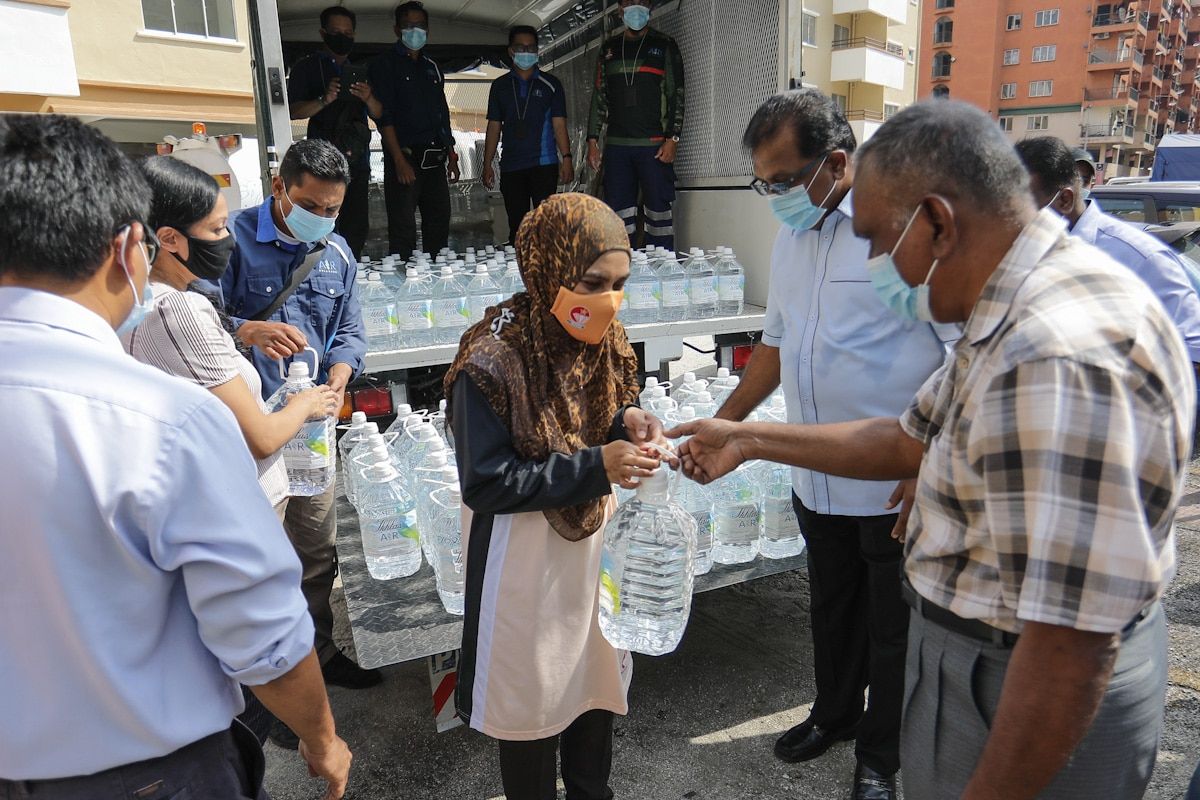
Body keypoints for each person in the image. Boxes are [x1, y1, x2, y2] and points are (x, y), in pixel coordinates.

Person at [671, 100, 1192, 800]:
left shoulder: (1059, 352)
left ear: (938, 221)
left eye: (880, 241)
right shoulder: (1009, 311)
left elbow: (1072, 644)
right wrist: (745, 436)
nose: (879, 262)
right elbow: (905, 437)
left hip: (1023, 686)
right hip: (975, 661)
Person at [0, 114, 351, 798]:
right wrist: (322, 737)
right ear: (131, 246)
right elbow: (262, 631)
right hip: (150, 773)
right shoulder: (162, 420)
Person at [713, 89, 954, 800]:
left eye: (783, 179)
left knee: (893, 625)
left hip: (886, 478)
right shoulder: (793, 237)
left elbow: (961, 354)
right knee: (831, 605)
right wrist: (726, 425)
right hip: (815, 477)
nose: (774, 196)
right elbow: (776, 347)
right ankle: (835, 712)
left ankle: (882, 758)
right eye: (764, 181)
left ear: (837, 162)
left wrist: (927, 461)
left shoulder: (902, 230)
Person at [444, 193, 669, 800]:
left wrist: (631, 421)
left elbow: (605, 411)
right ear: (547, 266)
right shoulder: (490, 360)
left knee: (592, 683)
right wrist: (598, 465)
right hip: (521, 557)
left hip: (593, 544)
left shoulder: (604, 339)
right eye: (593, 282)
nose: (607, 300)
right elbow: (487, 482)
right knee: (532, 702)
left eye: (620, 283)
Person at [221, 138, 376, 731]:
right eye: (314, 204)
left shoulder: (335, 252)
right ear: (280, 188)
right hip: (249, 430)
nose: (325, 217)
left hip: (311, 434)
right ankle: (266, 695)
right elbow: (189, 320)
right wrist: (247, 330)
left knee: (315, 551)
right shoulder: (232, 239)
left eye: (335, 208)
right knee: (260, 562)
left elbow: (350, 331)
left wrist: (340, 372)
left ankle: (318, 653)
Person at [1015, 135, 1200, 373]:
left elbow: (1193, 352)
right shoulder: (1030, 252)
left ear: (1064, 200)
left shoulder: (1141, 258)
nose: (1013, 220)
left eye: (1023, 208)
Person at [586, 0, 684, 249]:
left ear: (649, 7)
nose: (635, 8)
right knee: (619, 213)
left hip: (654, 146)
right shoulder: (609, 49)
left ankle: (661, 265)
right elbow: (599, 96)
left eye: (641, 2)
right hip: (618, 146)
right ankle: (622, 267)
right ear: (620, 10)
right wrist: (592, 140)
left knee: (658, 212)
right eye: (630, 3)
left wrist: (673, 138)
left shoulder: (664, 45)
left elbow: (676, 94)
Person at [288, 5, 383, 259]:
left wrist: (368, 97)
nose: (343, 37)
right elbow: (292, 111)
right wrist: (324, 99)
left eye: (348, 32)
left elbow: (380, 113)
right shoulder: (306, 68)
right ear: (323, 33)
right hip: (320, 167)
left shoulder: (364, 71)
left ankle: (351, 275)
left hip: (357, 164)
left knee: (356, 229)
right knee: (320, 229)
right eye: (336, 32)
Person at [370, 0, 460, 257]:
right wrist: (398, 160)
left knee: (439, 224)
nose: (415, 31)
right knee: (403, 231)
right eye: (409, 26)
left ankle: (440, 284)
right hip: (405, 158)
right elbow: (384, 117)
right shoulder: (384, 65)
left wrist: (452, 156)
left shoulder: (432, 67)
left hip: (436, 160)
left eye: (421, 26)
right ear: (397, 29)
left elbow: (442, 115)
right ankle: (405, 287)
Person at [482, 25, 574, 243]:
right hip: (512, 166)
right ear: (511, 51)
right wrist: (487, 164)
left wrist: (567, 158)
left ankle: (546, 272)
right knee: (518, 227)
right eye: (520, 47)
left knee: (545, 225)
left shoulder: (551, 84)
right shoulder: (500, 86)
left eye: (531, 47)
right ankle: (519, 272)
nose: (526, 51)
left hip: (544, 164)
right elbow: (494, 127)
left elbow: (559, 125)